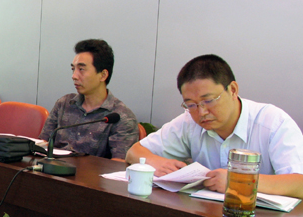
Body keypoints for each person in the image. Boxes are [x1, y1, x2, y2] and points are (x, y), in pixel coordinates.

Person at [126, 54, 303, 198]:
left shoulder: (273, 123)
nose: (201, 112)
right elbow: (134, 152)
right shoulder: (189, 121)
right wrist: (157, 162)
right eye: (191, 104)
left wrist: (238, 182)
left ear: (233, 90)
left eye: (209, 101)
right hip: (207, 215)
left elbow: (299, 183)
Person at [39, 39, 138, 159]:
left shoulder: (121, 117)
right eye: (73, 69)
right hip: (54, 168)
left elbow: (118, 165)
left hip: (92, 171)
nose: (74, 76)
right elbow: (42, 144)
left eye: (81, 69)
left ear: (103, 75)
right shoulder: (64, 104)